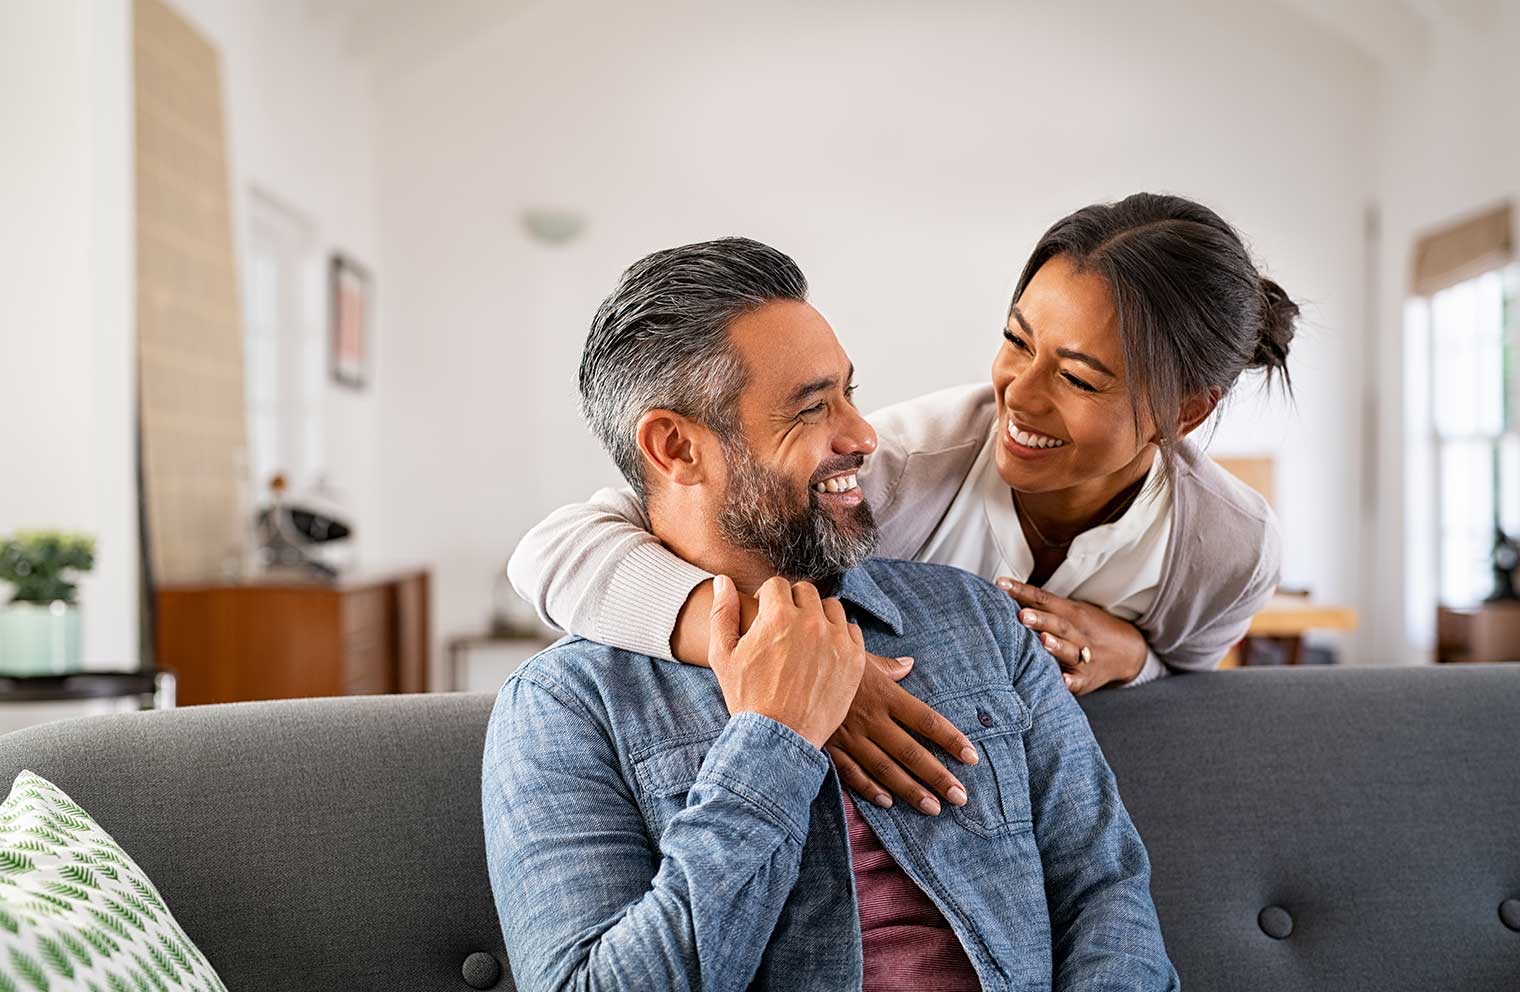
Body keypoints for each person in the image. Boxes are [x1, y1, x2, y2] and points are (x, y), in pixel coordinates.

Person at [482, 237, 1179, 991]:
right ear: (676, 446)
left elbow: (1106, 892)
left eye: (849, 392)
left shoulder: (979, 620)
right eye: (813, 408)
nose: (863, 435)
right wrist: (772, 742)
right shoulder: (566, 706)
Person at [509, 193, 1294, 816]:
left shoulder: (1229, 548)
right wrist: (794, 659)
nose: (1017, 394)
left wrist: (1136, 659)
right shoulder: (901, 466)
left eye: (1080, 378)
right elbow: (555, 551)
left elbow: (1191, 688)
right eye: (1017, 341)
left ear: (1184, 412)